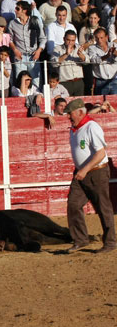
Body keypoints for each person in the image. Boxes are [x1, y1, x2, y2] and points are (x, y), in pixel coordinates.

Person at [64, 98, 116, 253]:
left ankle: (110, 242)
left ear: (80, 112)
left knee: (103, 207)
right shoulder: (75, 128)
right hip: (81, 172)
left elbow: (101, 153)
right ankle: (81, 239)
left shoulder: (91, 127)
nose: (68, 117)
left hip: (96, 172)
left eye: (70, 113)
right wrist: (81, 170)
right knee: (73, 204)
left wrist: (84, 169)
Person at [8, 1, 46, 87]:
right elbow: (9, 40)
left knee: (36, 82)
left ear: (24, 10)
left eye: (18, 9)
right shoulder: (12, 23)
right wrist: (15, 50)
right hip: (20, 56)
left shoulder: (35, 21)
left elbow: (43, 38)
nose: (15, 10)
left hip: (33, 56)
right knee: (20, 83)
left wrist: (39, 51)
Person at [51, 30, 85, 96]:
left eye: (73, 40)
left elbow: (87, 62)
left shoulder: (79, 48)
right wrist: (66, 54)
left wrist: (81, 55)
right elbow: (53, 63)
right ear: (64, 39)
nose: (70, 43)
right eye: (68, 40)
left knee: (79, 104)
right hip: (65, 82)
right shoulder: (57, 49)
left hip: (78, 81)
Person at [84, 27, 117, 94]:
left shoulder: (114, 45)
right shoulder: (92, 48)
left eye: (101, 38)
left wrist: (115, 54)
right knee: (101, 103)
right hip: (100, 81)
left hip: (114, 80)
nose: (99, 40)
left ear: (106, 37)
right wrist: (106, 56)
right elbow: (94, 60)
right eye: (97, 38)